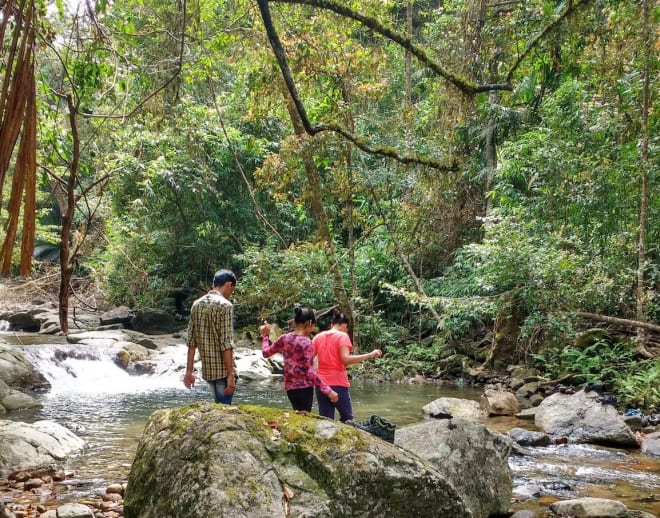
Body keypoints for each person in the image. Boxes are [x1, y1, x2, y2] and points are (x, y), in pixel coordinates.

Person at [260, 307, 339, 411]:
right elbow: (310, 373)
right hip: (304, 388)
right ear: (309, 322)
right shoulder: (306, 343)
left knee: (297, 413)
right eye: (313, 325)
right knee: (304, 416)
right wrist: (329, 391)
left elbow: (266, 353)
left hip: (290, 388)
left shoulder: (284, 338)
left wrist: (265, 335)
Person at [313, 309, 382, 422]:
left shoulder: (318, 337)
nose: (347, 330)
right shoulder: (342, 336)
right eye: (347, 327)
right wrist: (369, 355)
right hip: (338, 383)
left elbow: (308, 358)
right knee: (347, 418)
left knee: (326, 421)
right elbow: (345, 360)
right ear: (344, 325)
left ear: (332, 324)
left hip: (321, 385)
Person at [183, 269, 238, 404]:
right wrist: (231, 375)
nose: (231, 293)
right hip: (223, 371)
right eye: (232, 289)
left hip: (208, 371)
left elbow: (191, 342)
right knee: (224, 412)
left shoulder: (196, 304)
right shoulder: (225, 306)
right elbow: (226, 343)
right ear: (228, 285)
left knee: (217, 408)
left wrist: (189, 372)